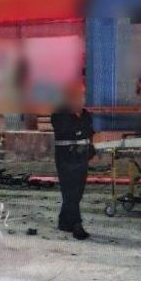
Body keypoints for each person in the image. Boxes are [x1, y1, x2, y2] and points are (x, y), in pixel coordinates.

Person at [51, 81, 95, 241]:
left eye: (82, 96)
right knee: (70, 192)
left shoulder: (86, 115)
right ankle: (77, 224)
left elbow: (89, 133)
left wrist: (90, 148)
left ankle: (64, 221)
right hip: (66, 159)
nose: (81, 99)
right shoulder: (59, 114)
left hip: (82, 158)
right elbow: (66, 130)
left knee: (78, 192)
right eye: (77, 95)